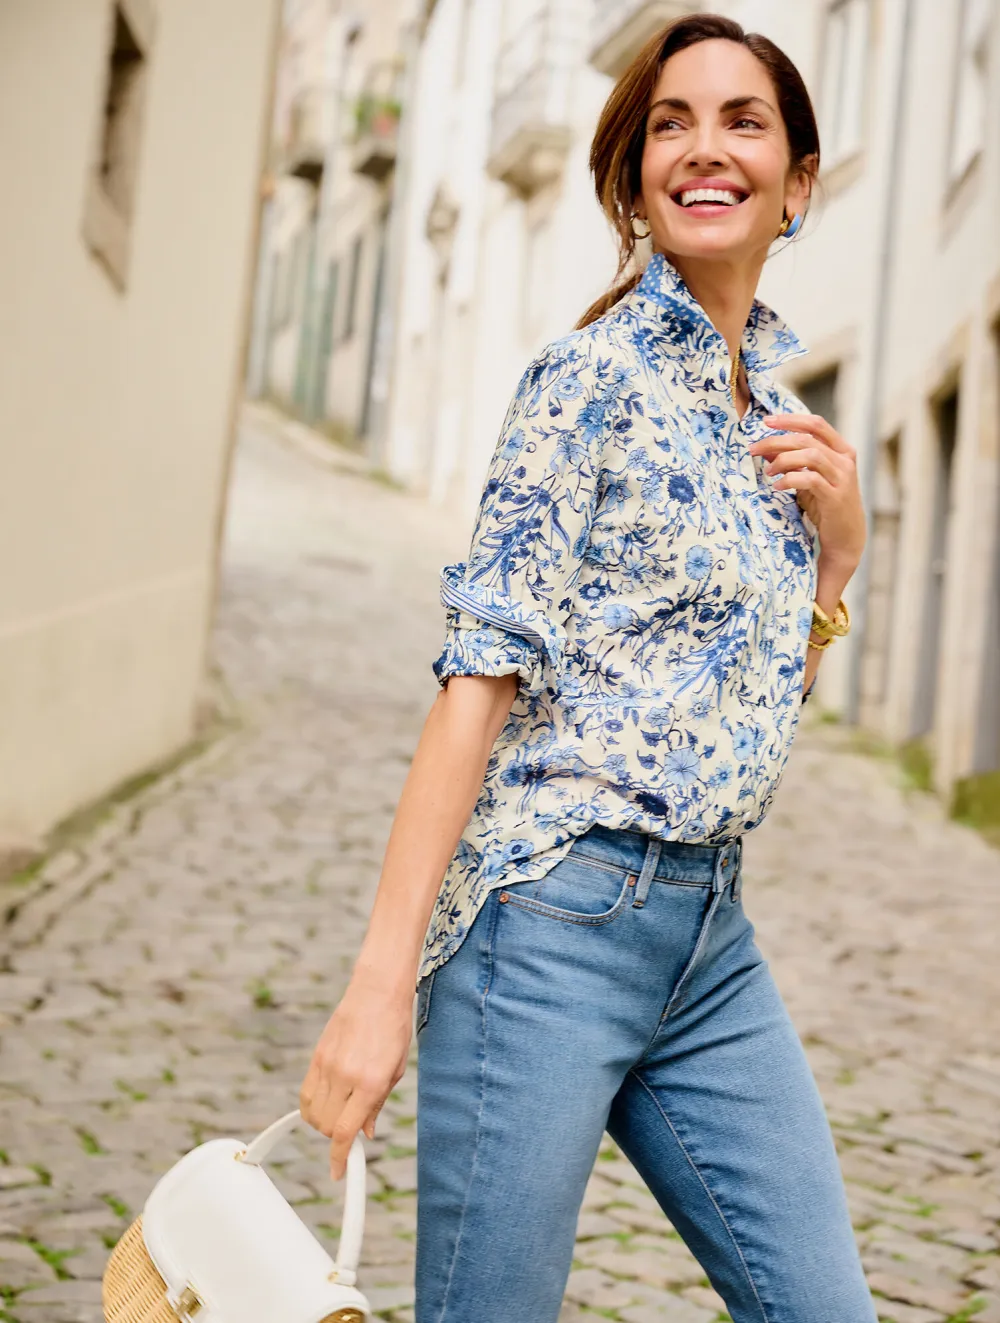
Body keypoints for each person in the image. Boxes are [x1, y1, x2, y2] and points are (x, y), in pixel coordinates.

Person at [301, 13, 873, 1322]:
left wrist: (836, 562)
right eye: (671, 122)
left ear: (799, 183)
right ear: (634, 179)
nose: (702, 146)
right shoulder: (585, 381)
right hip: (547, 928)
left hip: (710, 941)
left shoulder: (780, 428)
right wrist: (379, 988)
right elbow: (477, 681)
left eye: (744, 121)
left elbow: (743, 708)